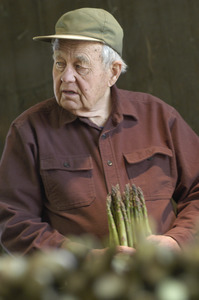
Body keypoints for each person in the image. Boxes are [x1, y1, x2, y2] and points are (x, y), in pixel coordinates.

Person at [0, 7, 199, 255]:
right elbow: (14, 222)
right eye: (59, 64)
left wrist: (177, 240)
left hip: (164, 277)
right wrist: (84, 258)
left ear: (113, 72)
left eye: (80, 66)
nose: (66, 77)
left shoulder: (159, 117)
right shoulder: (28, 132)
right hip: (80, 287)